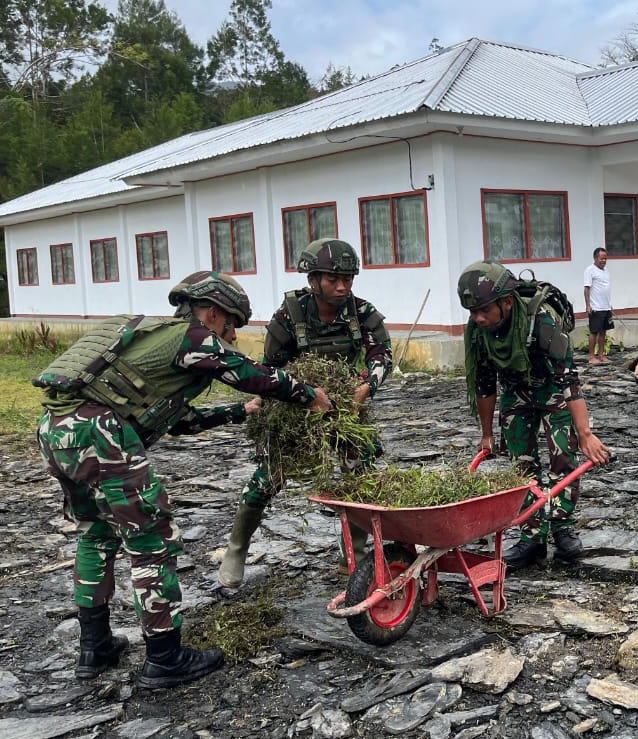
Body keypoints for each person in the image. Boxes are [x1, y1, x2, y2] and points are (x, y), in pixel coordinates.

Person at [34, 271, 332, 688]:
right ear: (213, 313)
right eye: (232, 326)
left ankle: (94, 647)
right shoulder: (192, 337)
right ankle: (165, 657)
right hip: (100, 433)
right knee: (151, 541)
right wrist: (307, 394)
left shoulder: (155, 342)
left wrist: (239, 412)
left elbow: (179, 422)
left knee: (97, 534)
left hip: (57, 430)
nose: (231, 336)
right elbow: (249, 373)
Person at [218, 238, 392, 589]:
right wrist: (297, 399)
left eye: (347, 278)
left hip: (346, 406)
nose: (342, 286)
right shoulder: (289, 316)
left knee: (361, 474)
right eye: (332, 279)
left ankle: (355, 556)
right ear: (313, 280)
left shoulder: (362, 312)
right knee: (269, 477)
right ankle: (236, 548)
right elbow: (270, 371)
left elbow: (382, 355)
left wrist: (367, 386)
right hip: (297, 407)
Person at [458, 261, 610, 568]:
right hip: (515, 391)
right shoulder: (479, 332)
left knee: (562, 458)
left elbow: (569, 380)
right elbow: (485, 384)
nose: (478, 318)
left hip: (551, 388)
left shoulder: (541, 322)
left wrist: (585, 435)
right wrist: (487, 434)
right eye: (473, 312)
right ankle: (532, 538)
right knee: (521, 465)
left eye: (484, 310)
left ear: (507, 302)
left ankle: (563, 528)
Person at [582, 247, 612, 365]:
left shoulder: (606, 271)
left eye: (605, 258)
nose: (603, 261)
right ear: (595, 258)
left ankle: (601, 355)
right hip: (595, 307)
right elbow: (586, 288)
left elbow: (605, 289)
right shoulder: (590, 270)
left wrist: (610, 305)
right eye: (601, 258)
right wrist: (588, 305)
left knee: (603, 332)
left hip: (606, 306)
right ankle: (591, 357)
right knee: (594, 332)